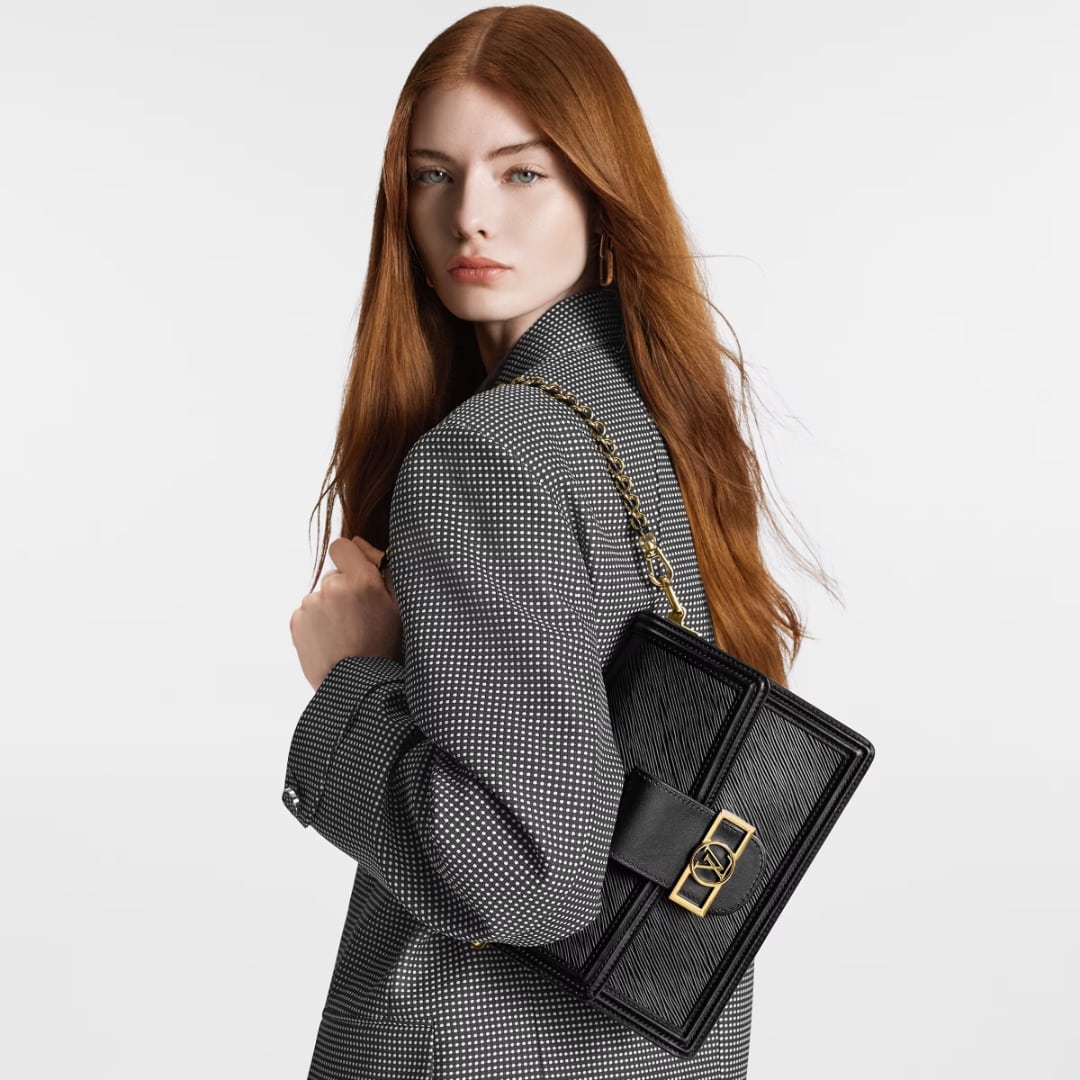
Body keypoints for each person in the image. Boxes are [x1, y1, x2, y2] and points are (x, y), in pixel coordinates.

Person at [283, 6, 810, 1078]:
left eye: (521, 173)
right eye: (433, 176)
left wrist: (349, 685)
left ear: (598, 196)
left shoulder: (490, 454)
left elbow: (531, 877)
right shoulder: (656, 419)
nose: (471, 217)